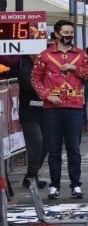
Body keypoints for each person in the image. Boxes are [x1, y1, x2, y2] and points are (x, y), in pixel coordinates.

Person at [31, 20, 88, 200]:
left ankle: (76, 185)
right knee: (54, 149)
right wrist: (46, 96)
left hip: (75, 108)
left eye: (71, 33)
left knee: (74, 149)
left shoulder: (81, 55)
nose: (69, 36)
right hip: (52, 109)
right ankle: (54, 186)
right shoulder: (45, 56)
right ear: (57, 34)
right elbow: (35, 79)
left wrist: (76, 68)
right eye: (66, 33)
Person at [18, 55, 47, 189]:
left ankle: (32, 175)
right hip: (29, 113)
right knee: (37, 144)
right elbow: (29, 87)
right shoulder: (26, 68)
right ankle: (30, 177)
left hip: (44, 111)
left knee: (45, 145)